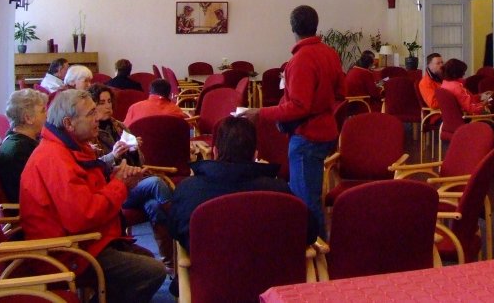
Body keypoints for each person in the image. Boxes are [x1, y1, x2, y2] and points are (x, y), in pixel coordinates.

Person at [19, 89, 166, 303]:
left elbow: (87, 195)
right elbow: (83, 216)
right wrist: (118, 184)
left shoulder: (69, 148)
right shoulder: (54, 159)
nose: (97, 118)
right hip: (67, 252)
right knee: (151, 272)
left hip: (86, 241)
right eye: (90, 114)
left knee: (146, 260)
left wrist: (117, 179)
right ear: (69, 123)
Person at [244, 5, 345, 238]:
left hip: (307, 134)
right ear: (316, 25)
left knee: (305, 199)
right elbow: (341, 91)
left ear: (293, 28)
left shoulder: (301, 59)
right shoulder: (330, 53)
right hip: (326, 130)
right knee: (311, 194)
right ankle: (318, 245)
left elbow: (300, 106)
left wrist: (260, 113)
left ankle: (316, 248)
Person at [169, 117, 317, 252]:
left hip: (208, 272)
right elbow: (309, 232)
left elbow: (176, 232)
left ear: (215, 152)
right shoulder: (280, 193)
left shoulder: (188, 190)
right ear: (255, 155)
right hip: (273, 272)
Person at [88, 84, 174, 270]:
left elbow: (141, 162)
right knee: (156, 183)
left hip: (135, 181)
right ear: (92, 106)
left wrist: (134, 149)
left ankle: (170, 263)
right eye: (101, 103)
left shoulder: (119, 126)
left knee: (154, 206)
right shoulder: (89, 132)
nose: (107, 106)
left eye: (109, 101)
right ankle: (180, 223)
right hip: (114, 187)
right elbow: (93, 167)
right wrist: (114, 155)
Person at [0, 89, 48, 202]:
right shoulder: (20, 151)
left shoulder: (17, 140)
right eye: (43, 111)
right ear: (28, 118)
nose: (47, 115)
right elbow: (38, 192)